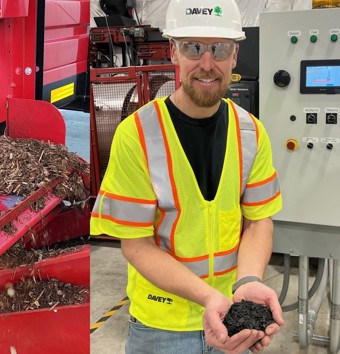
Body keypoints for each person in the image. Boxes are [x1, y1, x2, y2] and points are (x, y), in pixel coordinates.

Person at [90, 0, 285, 353]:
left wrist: (249, 281)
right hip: (161, 327)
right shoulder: (137, 134)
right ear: (173, 51)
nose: (207, 64)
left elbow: (259, 223)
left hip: (231, 316)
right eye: (193, 47)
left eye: (219, 49)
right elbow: (135, 244)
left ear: (235, 55)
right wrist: (208, 298)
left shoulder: (252, 133)